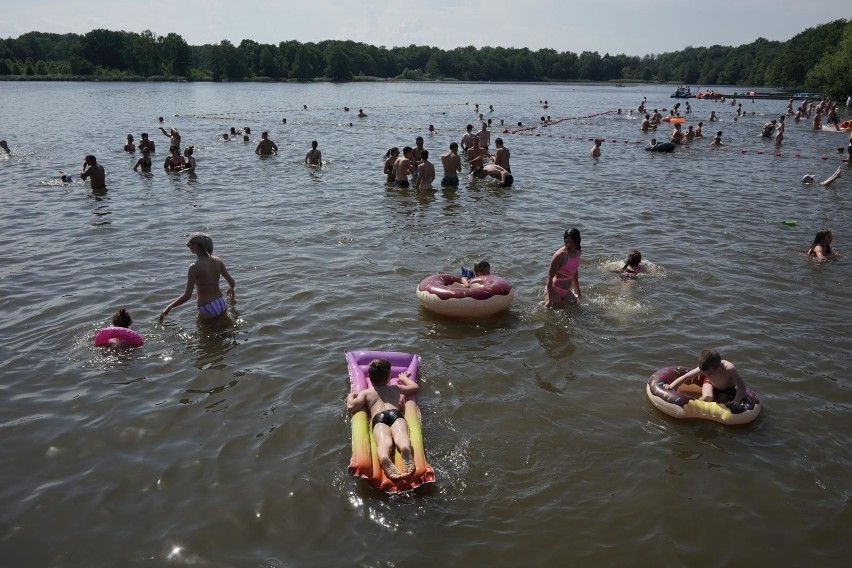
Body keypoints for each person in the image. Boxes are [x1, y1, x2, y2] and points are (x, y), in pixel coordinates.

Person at [346, 358, 419, 480]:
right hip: (396, 414)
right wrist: (404, 379)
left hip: (379, 417)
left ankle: (384, 457)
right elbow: (415, 387)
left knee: (384, 441)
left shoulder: (366, 393)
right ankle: (405, 449)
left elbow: (351, 407)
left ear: (369, 376)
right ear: (389, 377)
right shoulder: (395, 388)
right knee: (401, 436)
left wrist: (350, 396)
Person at [160, 232, 236, 321]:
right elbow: (232, 282)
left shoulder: (194, 267)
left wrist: (169, 307)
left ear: (195, 246)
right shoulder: (218, 261)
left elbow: (187, 295)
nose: (188, 247)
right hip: (221, 303)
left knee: (205, 334)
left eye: (189, 245)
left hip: (207, 308)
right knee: (224, 332)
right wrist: (231, 288)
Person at [663, 349, 748, 405]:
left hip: (728, 390)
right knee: (708, 397)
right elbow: (685, 377)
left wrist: (736, 402)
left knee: (723, 398)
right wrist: (672, 386)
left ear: (718, 367)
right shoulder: (706, 368)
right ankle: (694, 405)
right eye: (705, 373)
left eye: (710, 373)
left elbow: (741, 387)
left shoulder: (729, 369)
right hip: (710, 383)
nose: (707, 375)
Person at [544, 228, 582, 307]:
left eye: (571, 242)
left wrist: (577, 289)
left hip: (565, 291)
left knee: (576, 306)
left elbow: (574, 270)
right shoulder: (560, 255)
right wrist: (550, 299)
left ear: (577, 242)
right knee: (555, 314)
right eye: (566, 242)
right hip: (554, 290)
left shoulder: (578, 252)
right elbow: (549, 278)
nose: (568, 245)